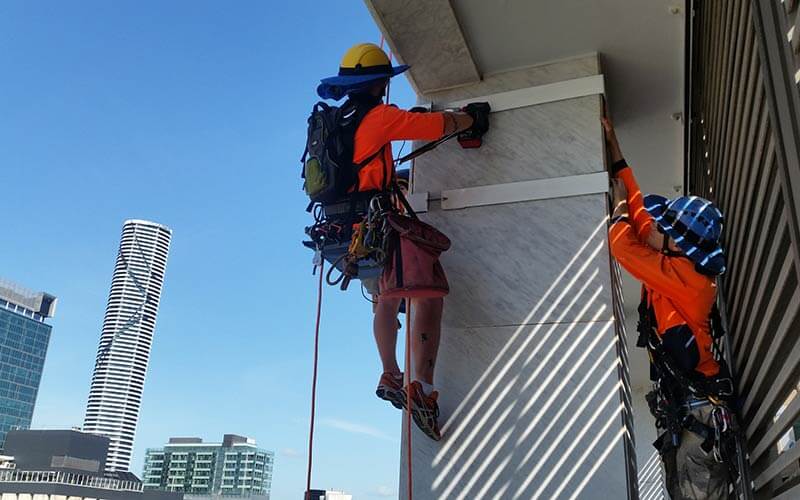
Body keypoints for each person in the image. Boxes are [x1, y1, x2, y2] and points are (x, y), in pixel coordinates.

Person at [316, 43, 489, 440]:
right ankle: (422, 389)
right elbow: (436, 127)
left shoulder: (337, 119)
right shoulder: (378, 116)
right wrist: (469, 119)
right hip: (376, 228)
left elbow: (359, 169)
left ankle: (390, 373)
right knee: (426, 292)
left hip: (341, 233)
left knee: (385, 297)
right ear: (380, 83)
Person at [604, 115, 733, 499]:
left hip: (698, 412)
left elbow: (622, 243)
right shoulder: (675, 266)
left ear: (681, 245)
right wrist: (614, 149)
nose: (659, 232)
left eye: (668, 231)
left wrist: (617, 207)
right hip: (687, 409)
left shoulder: (689, 279)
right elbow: (642, 212)